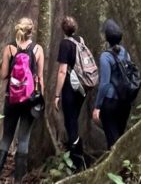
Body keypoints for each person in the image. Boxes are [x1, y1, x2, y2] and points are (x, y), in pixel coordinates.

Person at [0, 17, 45, 183]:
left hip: (11, 99)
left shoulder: (9, 48)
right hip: (30, 100)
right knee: (24, 139)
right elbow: (40, 77)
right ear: (31, 31)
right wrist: (41, 98)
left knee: (6, 138)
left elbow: (3, 75)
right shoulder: (38, 49)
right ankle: (19, 180)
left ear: (18, 30)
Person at [92, 19, 132, 149]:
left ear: (107, 38)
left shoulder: (106, 56)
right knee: (119, 136)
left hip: (110, 102)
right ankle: (123, 165)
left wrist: (97, 106)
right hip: (125, 102)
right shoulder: (126, 53)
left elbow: (104, 84)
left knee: (112, 139)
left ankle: (116, 166)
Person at [54, 16, 86, 170]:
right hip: (82, 88)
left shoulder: (65, 44)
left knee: (70, 122)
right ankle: (77, 155)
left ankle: (76, 161)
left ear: (63, 29)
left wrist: (57, 94)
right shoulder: (80, 40)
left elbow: (62, 71)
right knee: (73, 120)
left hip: (70, 88)